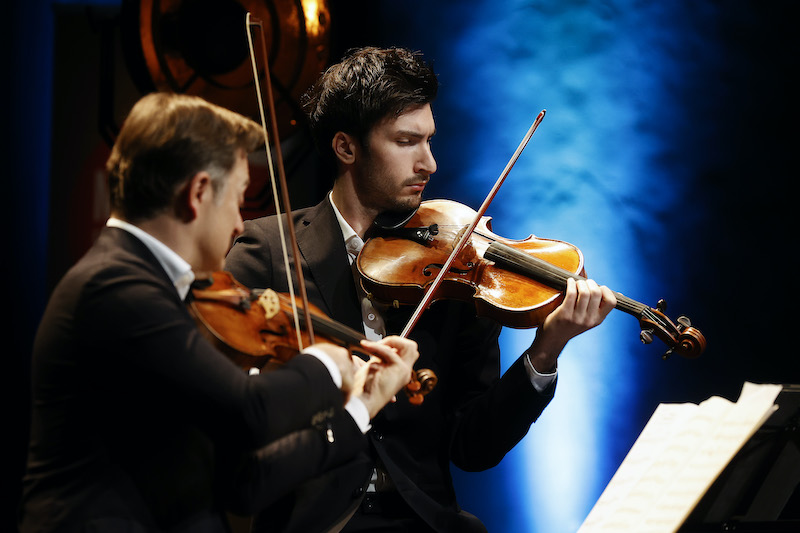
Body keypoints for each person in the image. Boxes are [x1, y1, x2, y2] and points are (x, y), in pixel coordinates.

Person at [225, 46, 617, 532]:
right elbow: (230, 409)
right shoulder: (266, 248)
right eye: (407, 141)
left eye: (430, 140)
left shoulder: (455, 264)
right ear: (346, 148)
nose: (429, 163)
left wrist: (546, 349)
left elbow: (472, 447)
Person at [18, 91, 419, 533]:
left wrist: (362, 406)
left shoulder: (152, 287)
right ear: (198, 193)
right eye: (238, 198)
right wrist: (329, 363)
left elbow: (244, 483)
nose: (236, 223)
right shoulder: (116, 286)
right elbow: (249, 412)